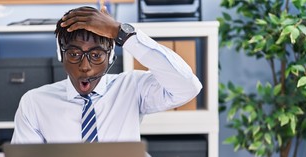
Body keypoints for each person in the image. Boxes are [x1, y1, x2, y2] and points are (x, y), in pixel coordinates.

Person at [11, 6, 202, 144]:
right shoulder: (34, 103)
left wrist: (121, 33)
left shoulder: (132, 88)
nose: (85, 67)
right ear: (61, 54)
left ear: (110, 56)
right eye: (74, 54)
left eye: (95, 55)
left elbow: (187, 87)